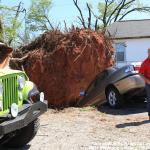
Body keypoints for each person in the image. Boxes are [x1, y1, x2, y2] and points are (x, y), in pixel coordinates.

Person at [139, 48, 150, 120]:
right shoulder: (145, 62)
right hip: (149, 84)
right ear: (148, 53)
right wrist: (147, 80)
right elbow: (140, 74)